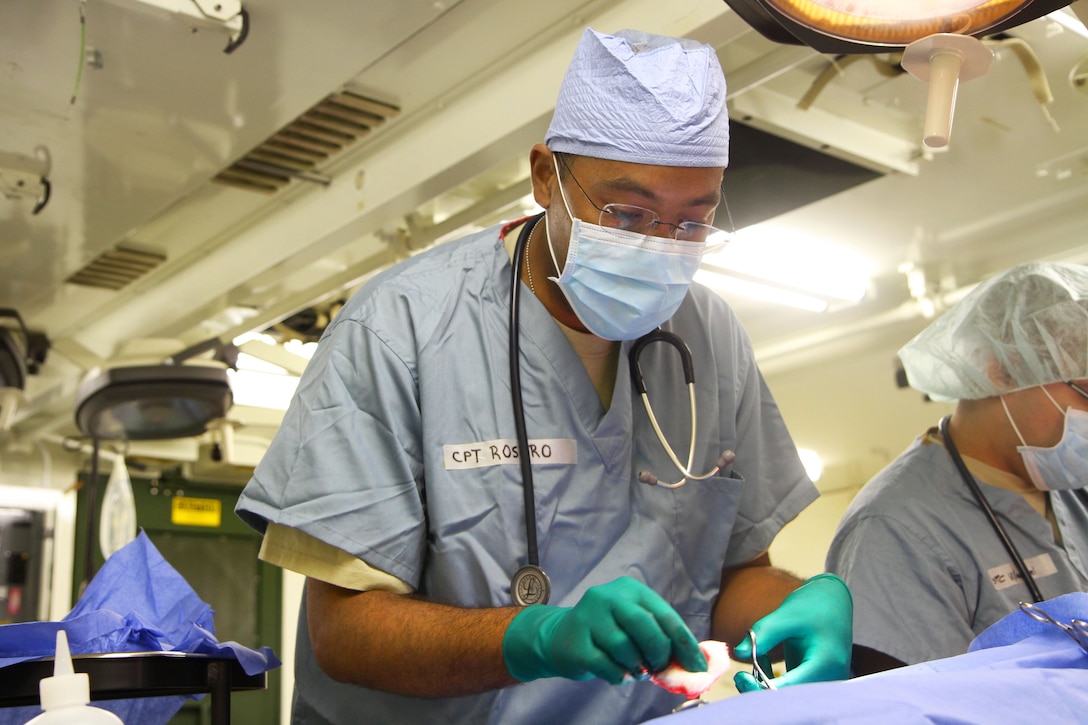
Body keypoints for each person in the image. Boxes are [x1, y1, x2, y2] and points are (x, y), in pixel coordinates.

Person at [236, 27, 852, 723]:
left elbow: (739, 572)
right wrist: (535, 637)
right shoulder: (400, 327)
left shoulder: (709, 338)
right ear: (543, 177)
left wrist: (798, 602)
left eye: (691, 223)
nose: (659, 246)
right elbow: (345, 632)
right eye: (627, 212)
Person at [826, 261, 1088, 676]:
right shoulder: (895, 528)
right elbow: (914, 705)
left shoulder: (1071, 485)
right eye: (1086, 391)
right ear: (1002, 370)